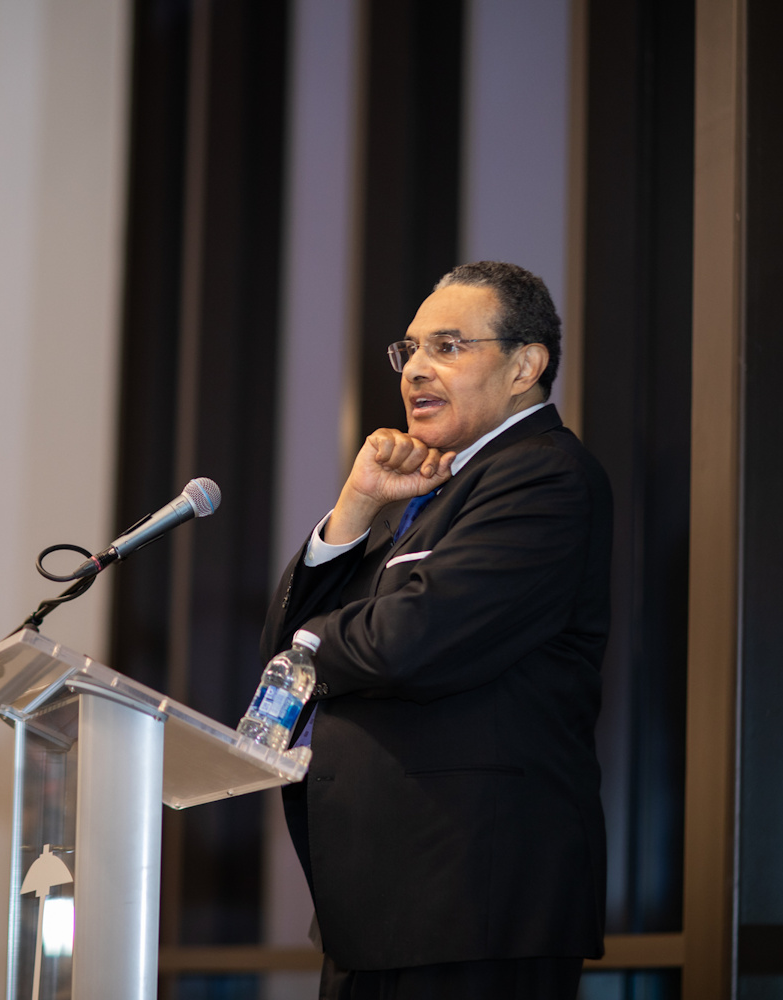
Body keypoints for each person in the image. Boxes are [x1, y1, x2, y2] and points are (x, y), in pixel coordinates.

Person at [261, 261, 612, 1000]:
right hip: (386, 903)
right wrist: (356, 506)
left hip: (473, 900)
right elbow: (289, 648)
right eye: (411, 350)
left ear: (526, 366)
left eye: (448, 347)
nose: (416, 370)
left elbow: (407, 640)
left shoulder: (544, 475)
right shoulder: (441, 492)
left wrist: (310, 647)